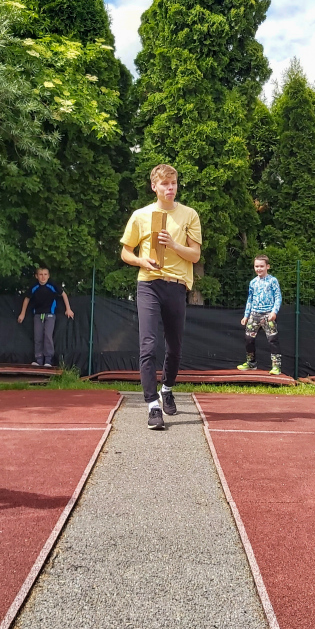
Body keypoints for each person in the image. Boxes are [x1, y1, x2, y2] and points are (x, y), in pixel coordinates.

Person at [120, 164, 202, 430]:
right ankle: (153, 406)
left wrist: (174, 245)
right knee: (147, 344)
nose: (170, 188)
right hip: (149, 285)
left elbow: (195, 255)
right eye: (165, 184)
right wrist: (141, 260)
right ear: (154, 186)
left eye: (174, 183)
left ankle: (167, 388)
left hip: (177, 286)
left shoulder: (189, 215)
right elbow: (125, 252)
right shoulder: (141, 215)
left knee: (174, 347)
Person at [18, 267, 74, 367]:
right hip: (38, 315)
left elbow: (64, 294)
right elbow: (26, 299)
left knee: (48, 336)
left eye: (45, 274)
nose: (43, 277)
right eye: (40, 274)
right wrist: (22, 314)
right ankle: (39, 360)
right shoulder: (34, 287)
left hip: (50, 315)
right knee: (38, 337)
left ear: (48, 276)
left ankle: (48, 360)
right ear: (36, 276)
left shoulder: (52, 285)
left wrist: (68, 309)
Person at [237, 254, 283, 375]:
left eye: (261, 266)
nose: (259, 269)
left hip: (268, 314)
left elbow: (278, 297)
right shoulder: (253, 283)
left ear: (267, 266)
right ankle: (251, 363)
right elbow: (250, 299)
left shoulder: (273, 281)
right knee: (248, 338)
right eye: (256, 266)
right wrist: (246, 315)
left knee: (273, 340)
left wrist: (274, 312)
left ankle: (276, 366)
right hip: (254, 314)